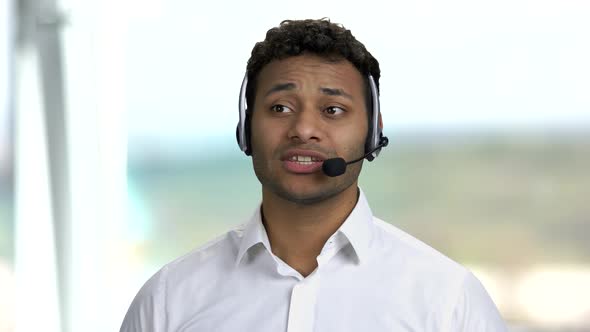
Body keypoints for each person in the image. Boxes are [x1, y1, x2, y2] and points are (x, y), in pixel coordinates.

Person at [120, 18, 508, 331]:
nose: (304, 129)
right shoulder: (168, 299)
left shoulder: (447, 300)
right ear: (245, 127)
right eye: (280, 108)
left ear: (373, 131)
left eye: (333, 109)